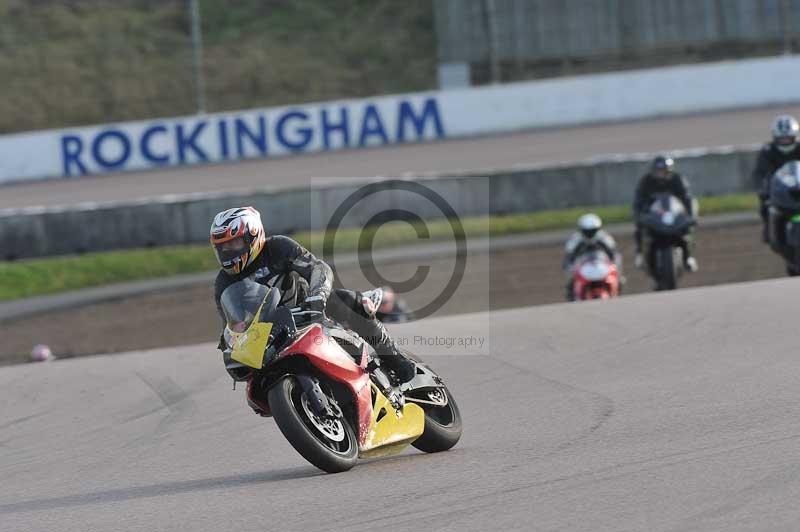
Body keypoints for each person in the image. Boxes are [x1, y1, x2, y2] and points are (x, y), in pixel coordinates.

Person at [210, 206, 416, 384]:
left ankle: (394, 359)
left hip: (310, 310)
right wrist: (231, 346)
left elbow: (318, 268)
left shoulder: (277, 248)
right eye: (222, 247)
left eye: (234, 243)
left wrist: (318, 296)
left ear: (253, 235)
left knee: (343, 301)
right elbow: (230, 326)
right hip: (273, 335)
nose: (228, 251)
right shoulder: (223, 282)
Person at [632, 155, 698, 272]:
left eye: (663, 171)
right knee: (639, 229)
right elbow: (638, 201)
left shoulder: (677, 180)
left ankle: (688, 256)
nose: (660, 174)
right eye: (658, 171)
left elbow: (688, 199)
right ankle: (640, 254)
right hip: (653, 217)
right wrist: (638, 215)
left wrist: (691, 216)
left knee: (686, 231)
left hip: (673, 215)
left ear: (669, 171)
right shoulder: (646, 181)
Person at [751, 115, 800, 243]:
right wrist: (762, 190)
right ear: (775, 137)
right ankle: (769, 230)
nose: (785, 141)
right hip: (779, 191)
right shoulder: (767, 151)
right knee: (766, 207)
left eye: (788, 138)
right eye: (782, 139)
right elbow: (759, 173)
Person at [562, 213, 620, 301]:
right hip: (583, 266)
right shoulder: (575, 240)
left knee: (618, 279)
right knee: (571, 283)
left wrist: (615, 267)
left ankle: (616, 292)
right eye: (587, 231)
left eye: (592, 231)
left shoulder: (605, 238)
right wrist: (570, 268)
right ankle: (572, 296)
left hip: (601, 264)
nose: (590, 233)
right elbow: (569, 257)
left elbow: (614, 254)